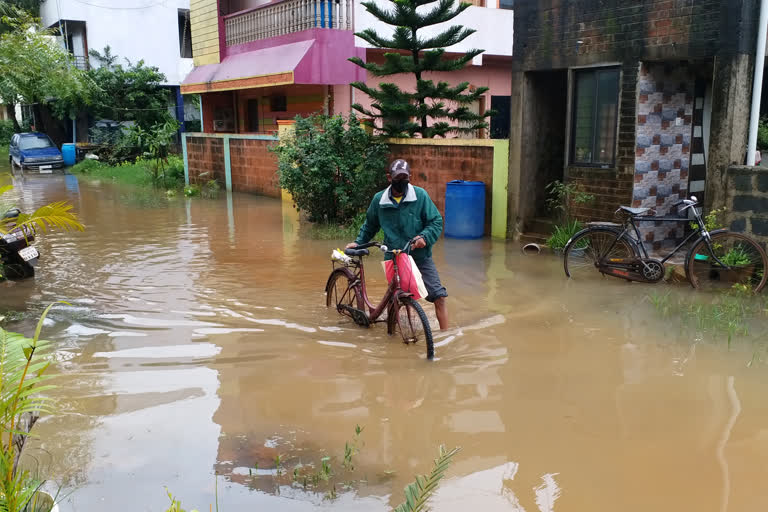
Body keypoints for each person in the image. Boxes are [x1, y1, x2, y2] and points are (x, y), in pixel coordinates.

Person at [346, 159, 449, 329]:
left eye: (405, 178)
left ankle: (447, 337)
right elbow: (370, 225)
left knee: (439, 297)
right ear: (389, 177)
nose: (401, 182)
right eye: (397, 178)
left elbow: (436, 221)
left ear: (411, 176)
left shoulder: (420, 196)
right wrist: (358, 243)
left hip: (420, 256)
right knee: (395, 298)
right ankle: (391, 335)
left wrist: (424, 237)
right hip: (394, 256)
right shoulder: (379, 200)